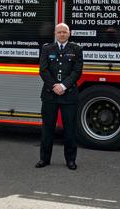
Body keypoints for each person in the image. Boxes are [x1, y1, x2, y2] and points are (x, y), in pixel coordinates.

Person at [36, 23, 83, 170]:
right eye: (59, 32)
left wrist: (63, 86)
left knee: (70, 130)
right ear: (55, 34)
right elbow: (43, 70)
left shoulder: (76, 49)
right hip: (50, 95)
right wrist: (54, 86)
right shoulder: (46, 49)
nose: (62, 34)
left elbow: (77, 71)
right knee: (47, 129)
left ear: (69, 34)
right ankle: (44, 159)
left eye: (65, 32)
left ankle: (70, 160)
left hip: (69, 95)